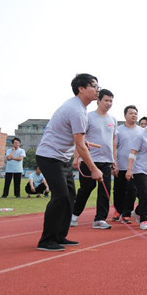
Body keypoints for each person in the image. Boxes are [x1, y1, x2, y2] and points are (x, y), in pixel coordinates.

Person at [36, 73, 104, 251]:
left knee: (69, 196)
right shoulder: (76, 110)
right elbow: (80, 145)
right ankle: (46, 240)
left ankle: (59, 235)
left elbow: (77, 138)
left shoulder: (80, 108)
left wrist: (82, 142)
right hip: (50, 157)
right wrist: (94, 169)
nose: (98, 89)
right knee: (60, 196)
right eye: (94, 86)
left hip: (62, 158)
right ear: (81, 89)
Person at [71, 89, 117, 230]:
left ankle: (100, 219)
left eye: (111, 101)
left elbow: (113, 140)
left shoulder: (113, 119)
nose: (109, 103)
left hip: (106, 160)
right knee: (86, 188)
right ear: (98, 100)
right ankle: (74, 214)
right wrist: (76, 157)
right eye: (106, 100)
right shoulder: (88, 117)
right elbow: (79, 138)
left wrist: (114, 159)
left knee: (105, 190)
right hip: (89, 160)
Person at [113, 105, 142, 223]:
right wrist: (114, 163)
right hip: (120, 165)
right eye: (131, 113)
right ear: (125, 115)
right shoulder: (118, 130)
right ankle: (118, 210)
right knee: (118, 190)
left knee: (132, 190)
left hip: (135, 167)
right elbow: (114, 147)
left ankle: (127, 212)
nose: (133, 115)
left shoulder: (141, 131)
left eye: (135, 113)